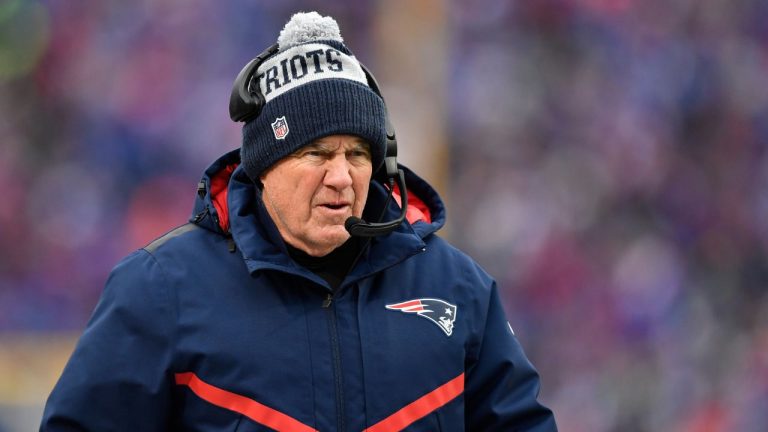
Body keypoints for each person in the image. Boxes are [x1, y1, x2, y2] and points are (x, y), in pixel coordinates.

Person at [41, 11, 557, 432]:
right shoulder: (158, 290)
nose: (341, 177)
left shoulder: (459, 288)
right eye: (316, 153)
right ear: (265, 166)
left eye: (358, 154)